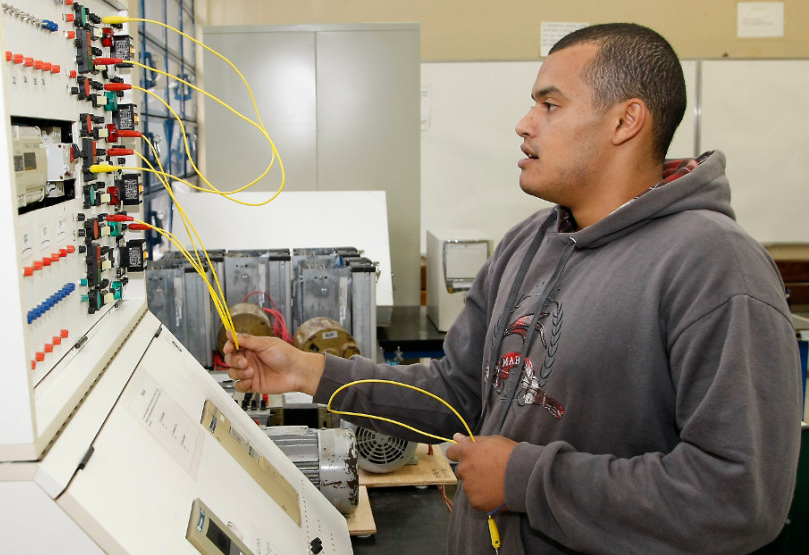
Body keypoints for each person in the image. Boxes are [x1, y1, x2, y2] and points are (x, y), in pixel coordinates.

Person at [224, 23, 802, 553]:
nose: (524, 123)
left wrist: (524, 478)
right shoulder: (530, 240)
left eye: (550, 105)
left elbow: (738, 497)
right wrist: (308, 372)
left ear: (626, 121)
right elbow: (457, 392)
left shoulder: (715, 267)